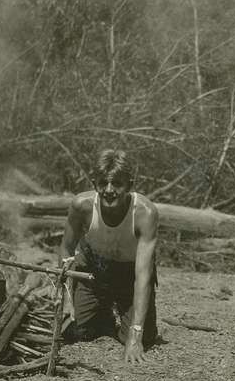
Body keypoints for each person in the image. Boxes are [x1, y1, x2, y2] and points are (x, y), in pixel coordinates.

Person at [60, 149, 160, 364]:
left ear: (130, 185)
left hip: (129, 275)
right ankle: (102, 310)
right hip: (93, 270)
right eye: (103, 183)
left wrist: (136, 333)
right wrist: (67, 299)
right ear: (94, 183)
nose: (109, 190)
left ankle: (123, 312)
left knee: (143, 338)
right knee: (78, 330)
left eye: (117, 184)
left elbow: (143, 277)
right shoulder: (81, 206)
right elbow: (66, 252)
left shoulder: (145, 213)